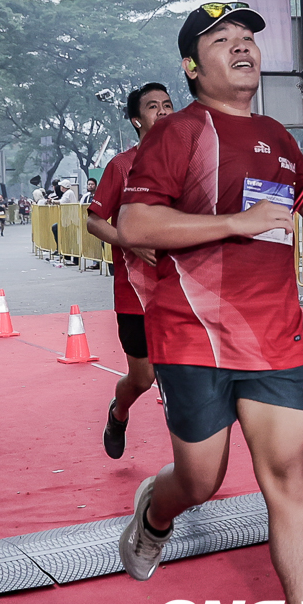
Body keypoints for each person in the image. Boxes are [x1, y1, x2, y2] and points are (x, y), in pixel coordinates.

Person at [114, 0, 303, 604]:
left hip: (274, 336)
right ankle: (156, 512)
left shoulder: (276, 135)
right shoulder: (177, 133)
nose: (242, 47)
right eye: (222, 40)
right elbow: (136, 224)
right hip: (192, 334)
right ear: (193, 67)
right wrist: (237, 221)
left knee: (286, 477)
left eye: (248, 38)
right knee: (201, 480)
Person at [86, 82, 175, 459]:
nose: (163, 111)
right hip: (135, 295)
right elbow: (93, 221)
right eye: (153, 107)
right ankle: (118, 412)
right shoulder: (121, 166)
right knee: (143, 377)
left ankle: (190, 464)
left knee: (182, 377)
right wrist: (131, 241)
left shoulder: (190, 164)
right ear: (137, 120)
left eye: (168, 104)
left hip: (181, 290)